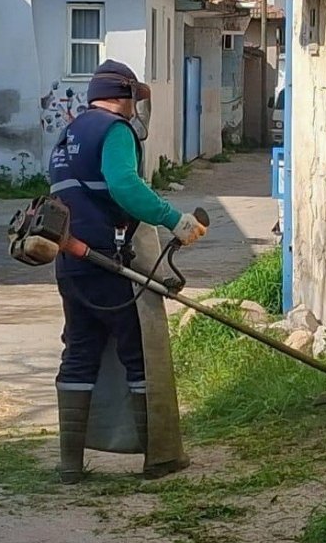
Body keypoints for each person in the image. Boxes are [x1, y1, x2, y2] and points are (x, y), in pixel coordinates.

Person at [47, 60, 207, 484]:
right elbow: (125, 186)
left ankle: (70, 465)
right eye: (136, 98)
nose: (138, 108)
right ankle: (159, 458)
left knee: (80, 351)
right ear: (125, 96)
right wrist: (175, 220)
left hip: (70, 260)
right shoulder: (114, 130)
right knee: (139, 352)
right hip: (107, 258)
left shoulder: (69, 134)